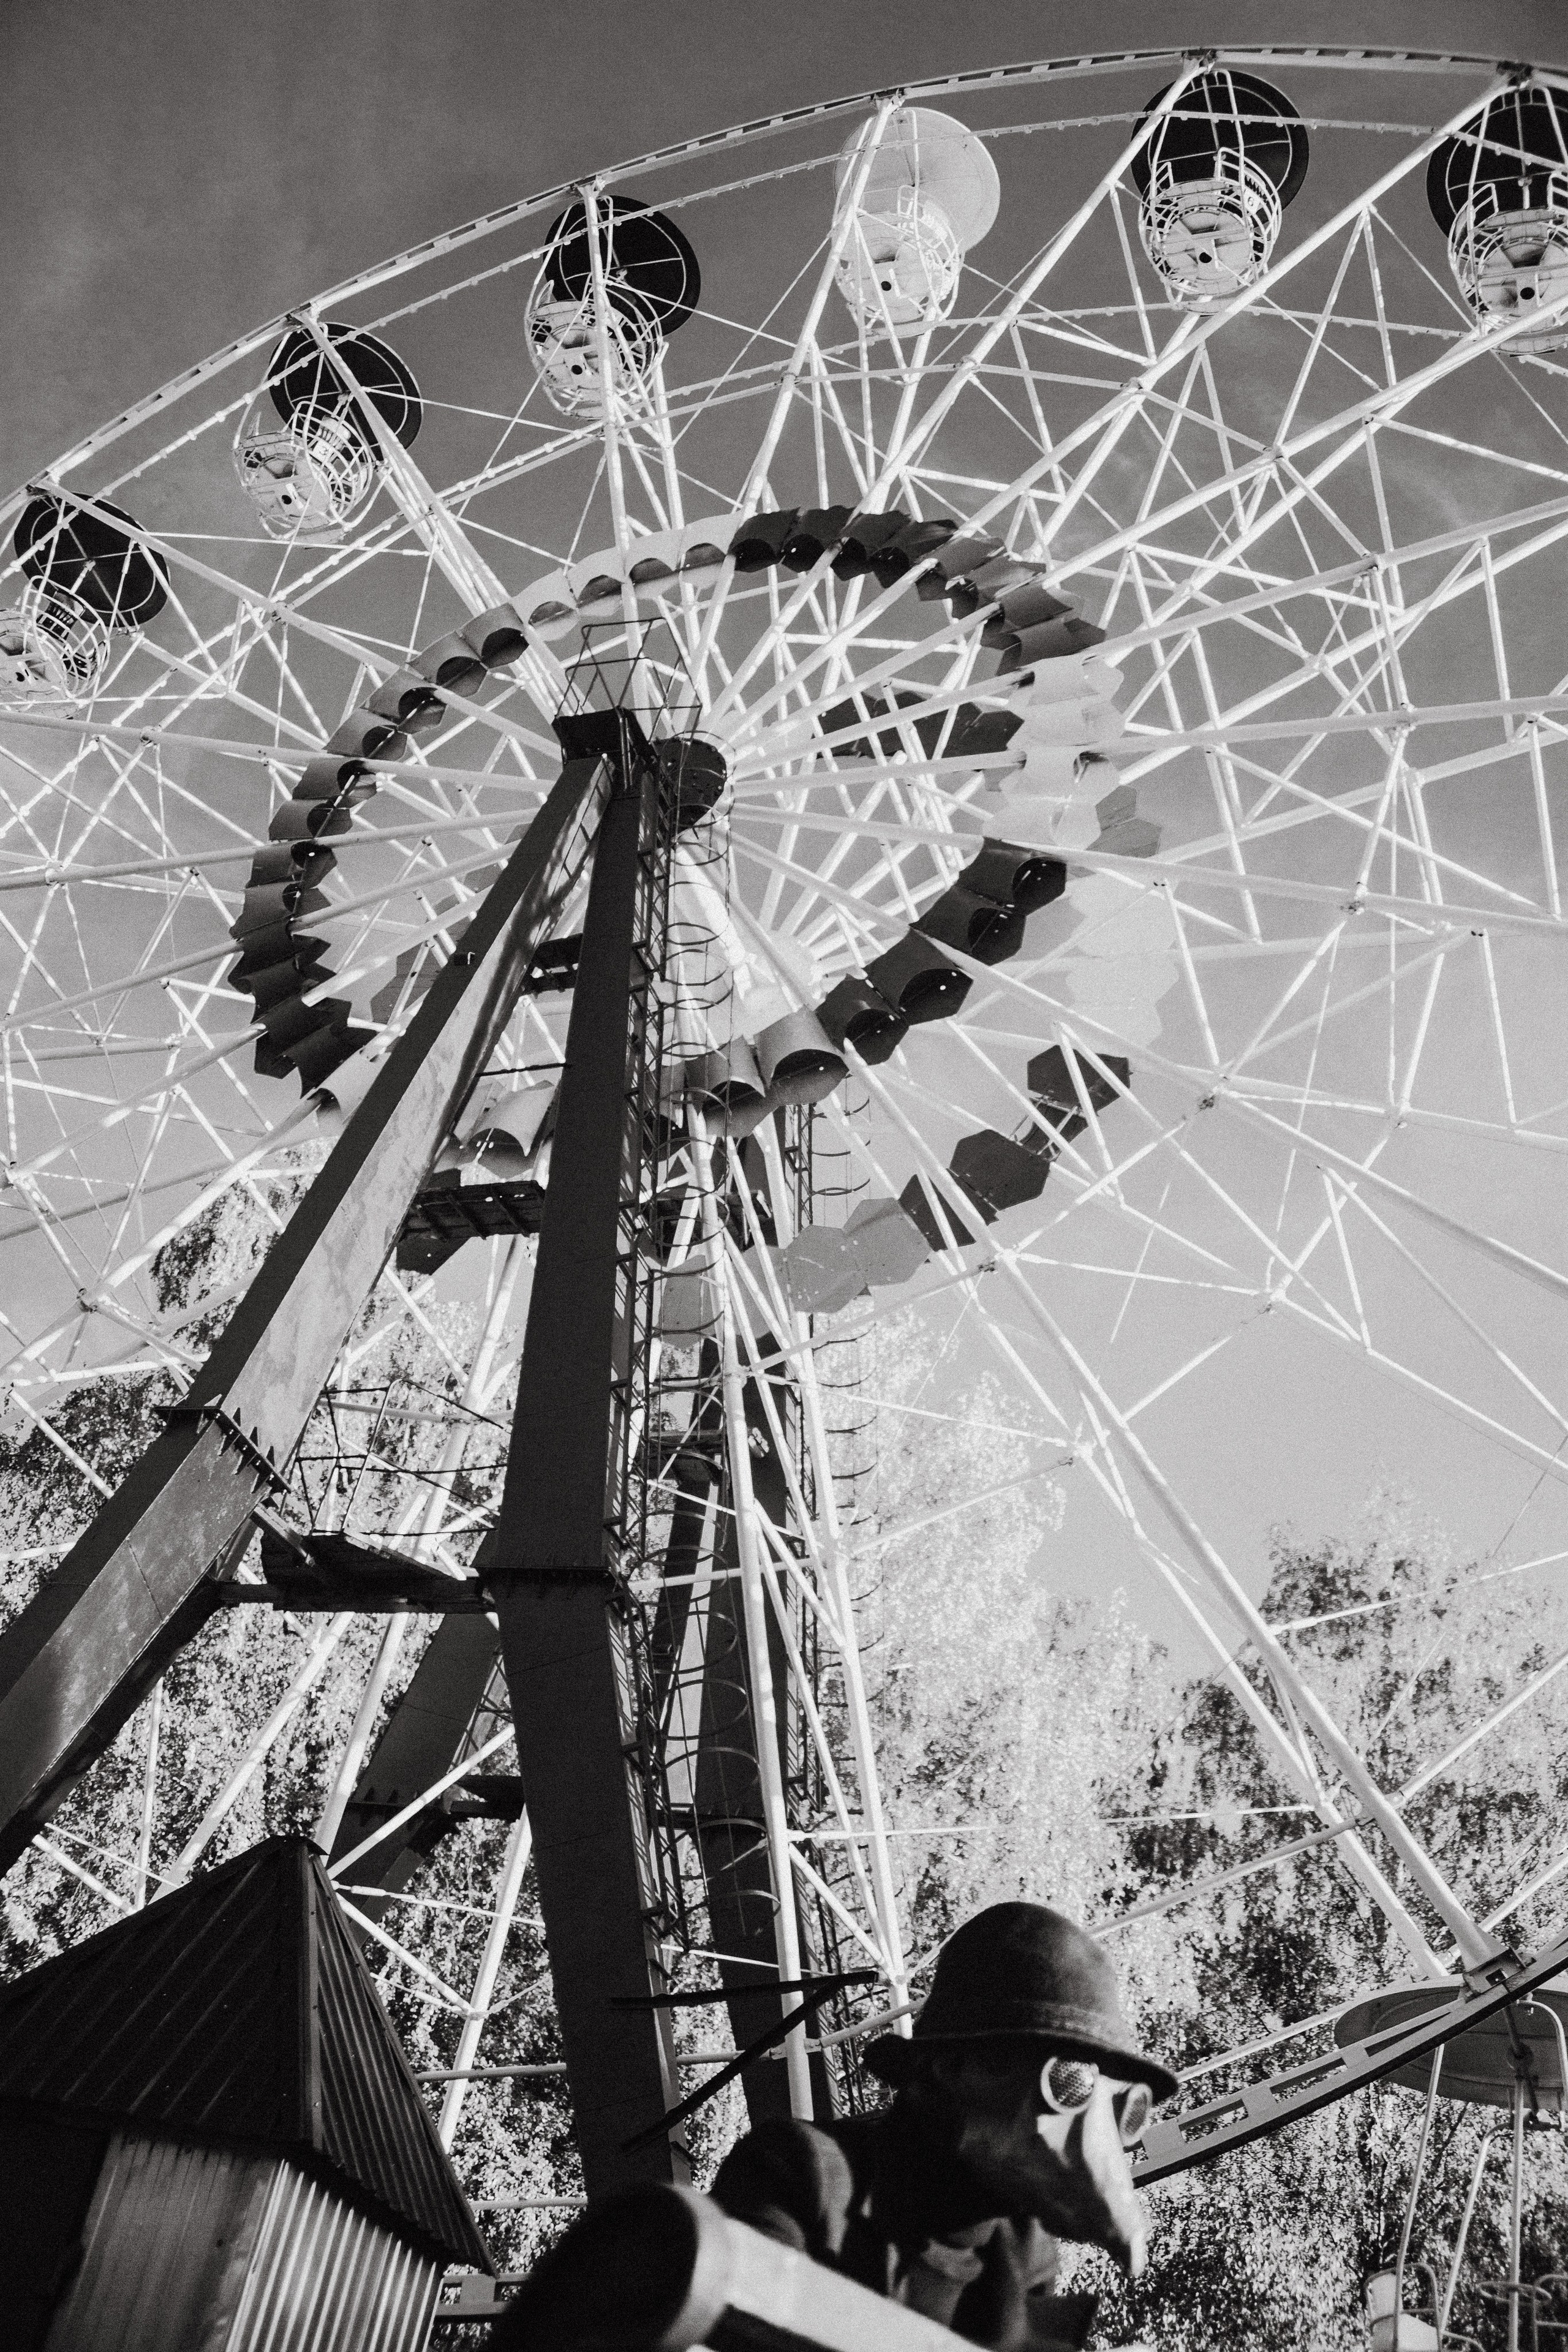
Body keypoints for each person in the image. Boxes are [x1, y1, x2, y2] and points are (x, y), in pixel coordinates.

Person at [710, 1901, 1177, 2351]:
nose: (1091, 2136)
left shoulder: (1024, 2254)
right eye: (1068, 2084)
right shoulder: (804, 2173)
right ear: (952, 2068)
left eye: (1121, 2111)